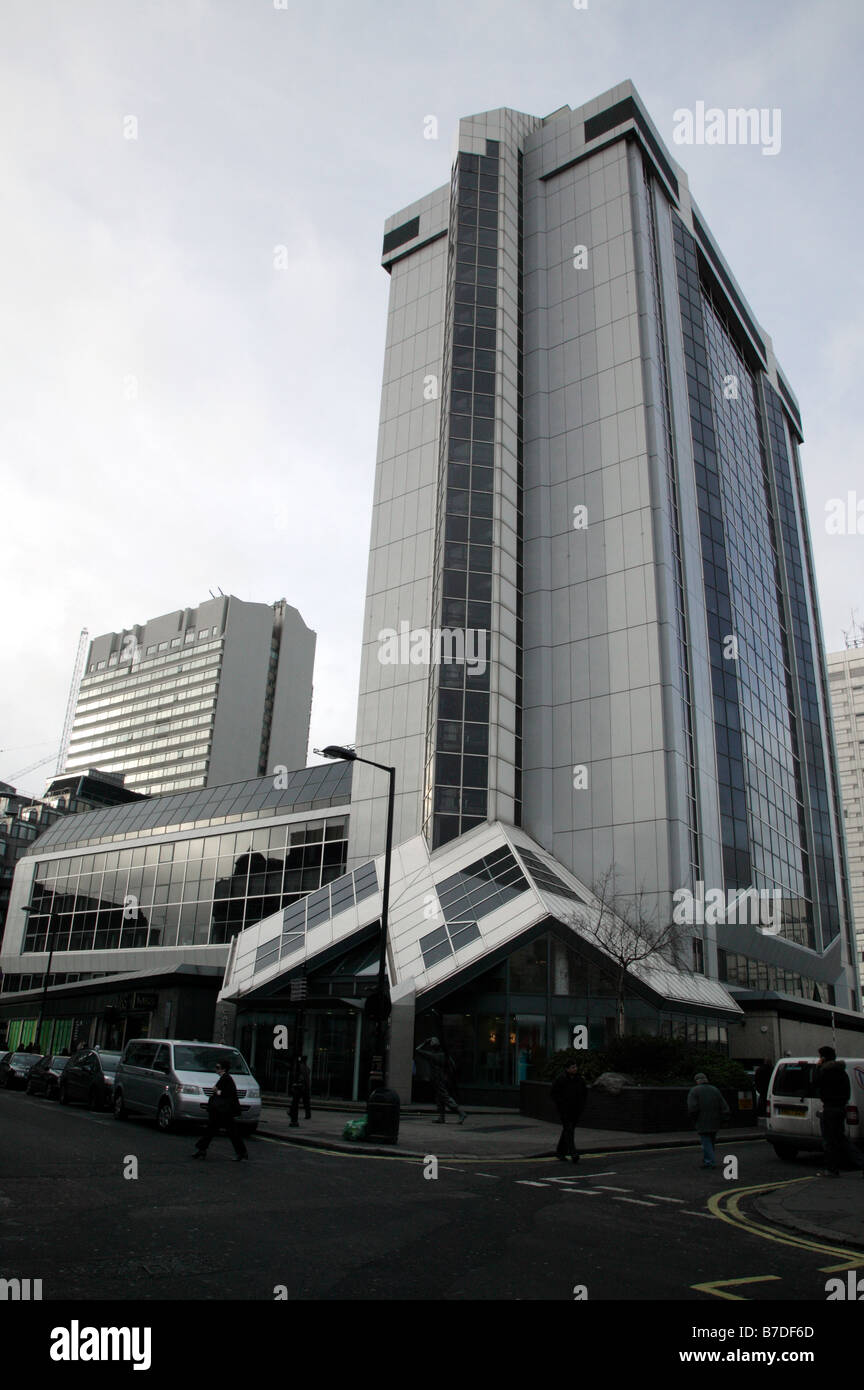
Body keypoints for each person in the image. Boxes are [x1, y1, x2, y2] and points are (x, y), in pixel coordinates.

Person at [815, 1045, 864, 1178]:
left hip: (830, 1108)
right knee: (841, 1139)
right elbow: (847, 1091)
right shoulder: (842, 1072)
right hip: (840, 1107)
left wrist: (817, 1067)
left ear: (824, 1057)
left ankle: (831, 1169)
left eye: (820, 1057)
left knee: (829, 1140)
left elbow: (815, 1083)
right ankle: (860, 1163)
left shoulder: (824, 1071)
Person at [192, 1058, 248, 1161]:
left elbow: (226, 1093)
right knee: (213, 1129)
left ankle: (242, 1153)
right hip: (221, 1110)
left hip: (224, 1110)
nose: (216, 1069)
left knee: (229, 1131)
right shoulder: (225, 1078)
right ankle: (202, 1150)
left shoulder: (226, 1078)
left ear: (224, 1069)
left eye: (218, 1067)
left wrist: (217, 1091)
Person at [415, 1037, 466, 1124]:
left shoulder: (432, 1055)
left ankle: (461, 1113)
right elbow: (453, 1066)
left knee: (445, 1097)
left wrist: (425, 1042)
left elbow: (417, 1050)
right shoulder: (445, 1056)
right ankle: (441, 1117)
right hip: (444, 1079)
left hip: (438, 1079)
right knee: (439, 1099)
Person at [687, 1072, 730, 1168]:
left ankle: (710, 1161)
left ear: (697, 1081)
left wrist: (693, 1118)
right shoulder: (715, 1090)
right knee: (711, 1141)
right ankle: (707, 1159)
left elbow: (692, 1107)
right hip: (715, 1120)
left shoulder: (694, 1091)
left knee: (706, 1141)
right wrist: (725, 1118)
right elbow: (724, 1106)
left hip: (702, 1121)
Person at [551, 1062, 587, 1163]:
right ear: (567, 1069)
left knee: (567, 1131)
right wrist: (561, 1105)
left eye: (576, 1067)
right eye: (573, 1067)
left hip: (576, 1110)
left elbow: (584, 1094)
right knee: (569, 1130)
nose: (575, 1069)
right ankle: (573, 1153)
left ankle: (560, 1152)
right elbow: (554, 1094)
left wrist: (581, 1106)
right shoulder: (561, 1079)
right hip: (564, 1110)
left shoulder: (579, 1080)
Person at [287, 1054, 311, 1126]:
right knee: (306, 1101)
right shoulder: (307, 1068)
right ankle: (307, 1114)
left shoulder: (299, 1067)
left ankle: (292, 1115)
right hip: (306, 1086)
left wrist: (295, 1083)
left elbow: (298, 1075)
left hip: (301, 1086)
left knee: (295, 1101)